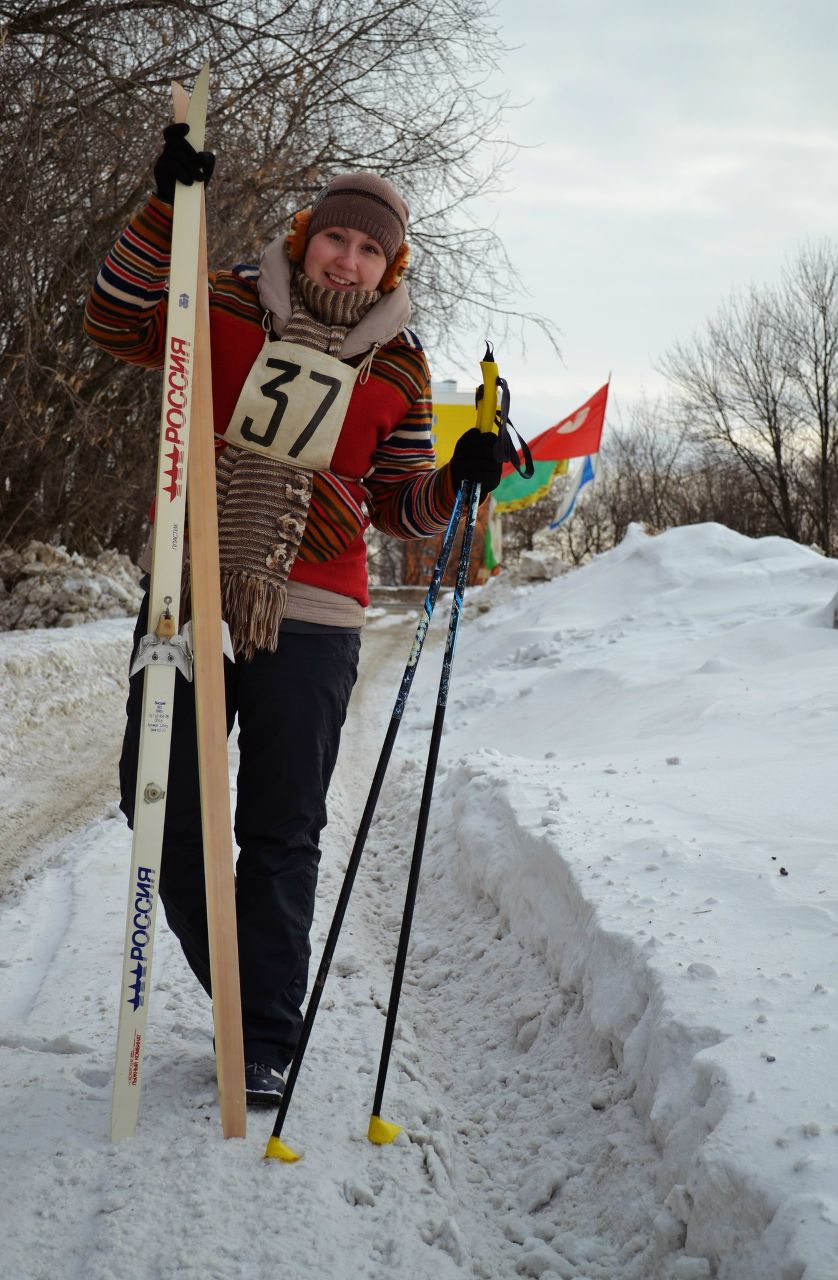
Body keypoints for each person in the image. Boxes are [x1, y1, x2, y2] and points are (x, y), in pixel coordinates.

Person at [84, 124, 503, 1105]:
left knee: (281, 828)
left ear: (387, 265)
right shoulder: (224, 300)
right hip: (189, 591)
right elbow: (114, 319)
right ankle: (237, 988)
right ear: (306, 232)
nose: (347, 259)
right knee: (159, 804)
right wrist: (161, 208)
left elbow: (401, 507)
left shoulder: (398, 366)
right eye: (335, 238)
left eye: (370, 249)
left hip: (316, 607)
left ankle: (265, 1035)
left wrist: (459, 478)